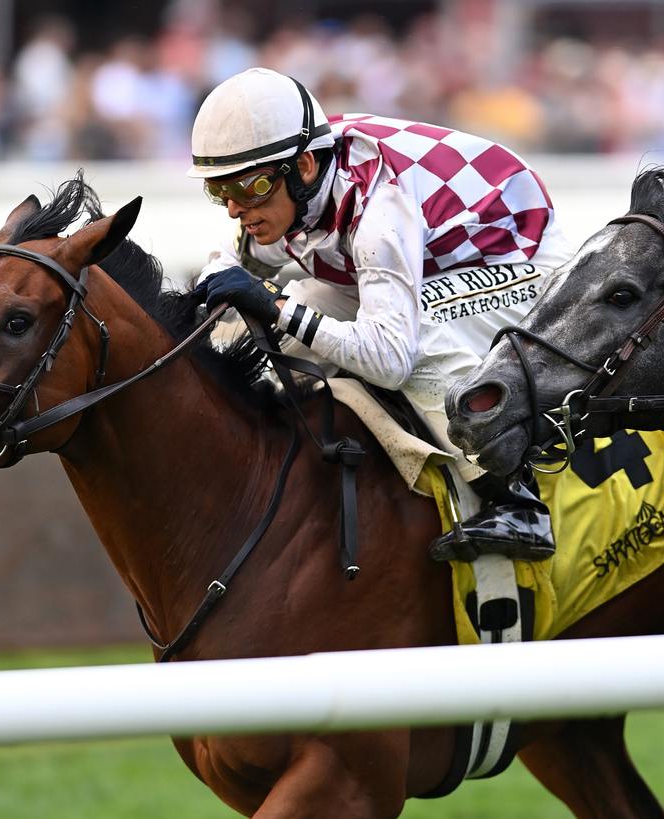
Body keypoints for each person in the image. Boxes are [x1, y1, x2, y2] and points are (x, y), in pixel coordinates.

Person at [187, 67, 575, 563]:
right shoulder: (294, 186)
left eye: (250, 188)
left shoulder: (378, 207)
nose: (235, 209)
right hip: (447, 259)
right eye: (220, 192)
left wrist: (272, 302)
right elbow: (231, 264)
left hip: (525, 263)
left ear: (303, 168)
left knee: (409, 326)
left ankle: (515, 496)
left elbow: (390, 357)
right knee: (293, 306)